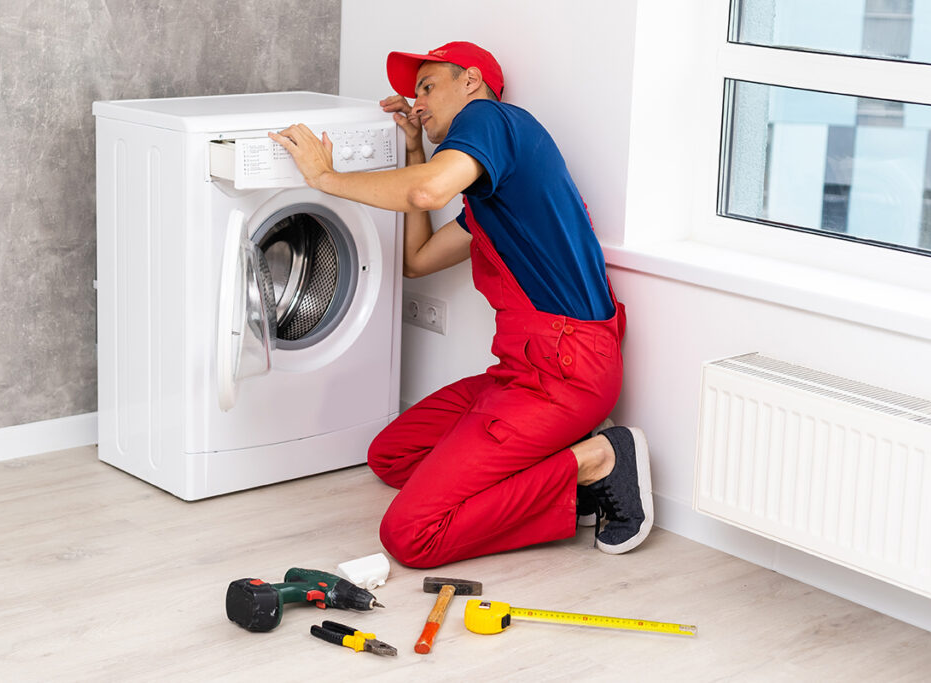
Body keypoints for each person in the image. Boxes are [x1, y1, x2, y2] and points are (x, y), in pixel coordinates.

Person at [270, 41, 653, 568]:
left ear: (471, 81)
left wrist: (324, 179)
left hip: (567, 372)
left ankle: (598, 460)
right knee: (391, 456)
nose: (416, 101)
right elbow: (419, 259)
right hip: (525, 371)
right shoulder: (496, 200)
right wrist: (412, 151)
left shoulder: (493, 117)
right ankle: (560, 461)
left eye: (427, 86)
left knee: (411, 535)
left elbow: (427, 193)